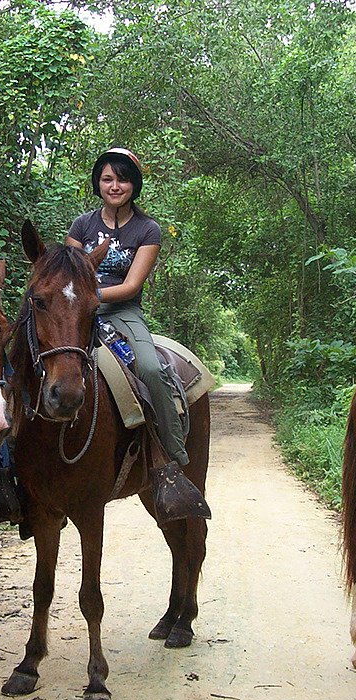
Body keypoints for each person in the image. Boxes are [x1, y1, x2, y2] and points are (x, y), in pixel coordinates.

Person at [66, 148, 210, 521]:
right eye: (108, 178)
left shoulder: (147, 229)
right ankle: (13, 470)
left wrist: (89, 293)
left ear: (134, 184)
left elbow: (130, 286)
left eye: (123, 178)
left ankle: (173, 460)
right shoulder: (82, 225)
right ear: (98, 182)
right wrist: (77, 298)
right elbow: (67, 275)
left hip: (123, 312)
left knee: (149, 367)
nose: (115, 186)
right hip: (75, 312)